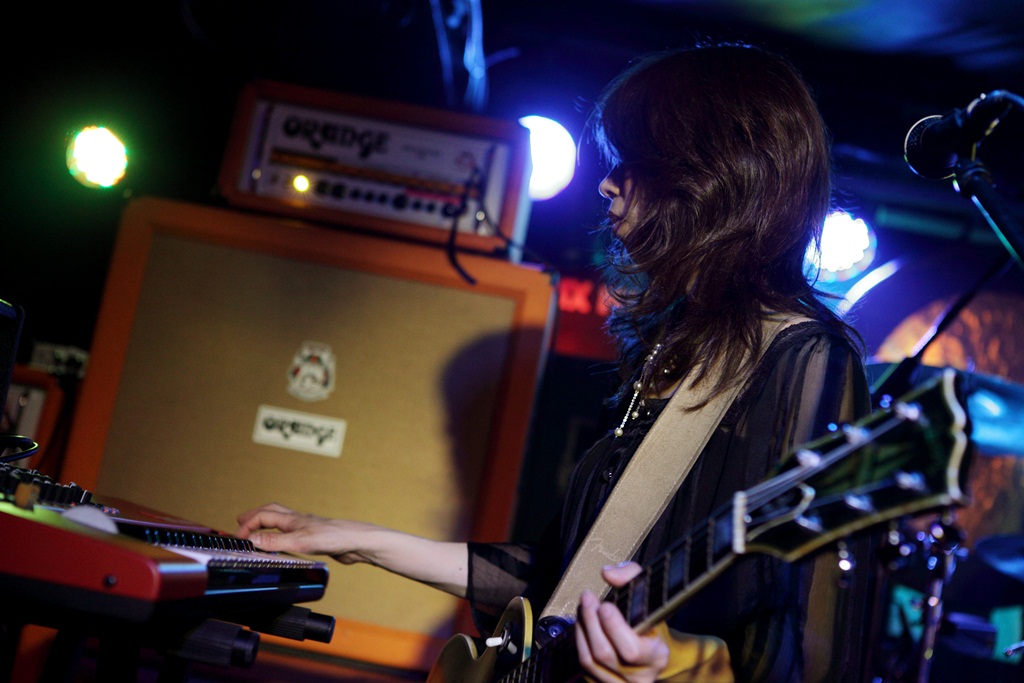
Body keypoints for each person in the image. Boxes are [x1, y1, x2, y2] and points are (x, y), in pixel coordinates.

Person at [236, 41, 873, 683]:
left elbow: (810, 649)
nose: (606, 183)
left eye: (634, 163)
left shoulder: (807, 357)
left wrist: (677, 667)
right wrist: (355, 541)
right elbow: (559, 582)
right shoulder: (675, 346)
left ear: (711, 178)